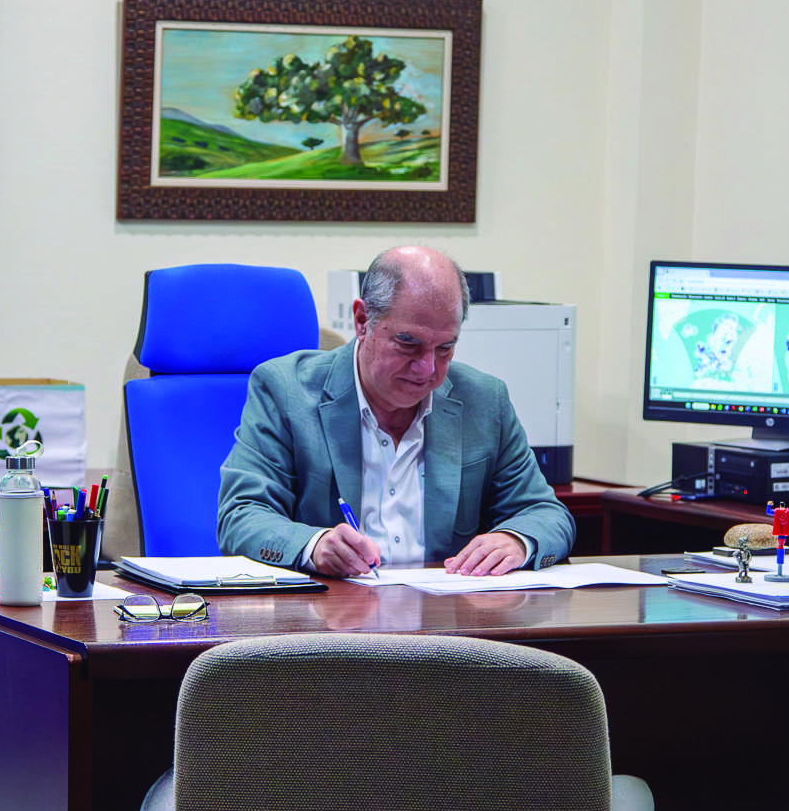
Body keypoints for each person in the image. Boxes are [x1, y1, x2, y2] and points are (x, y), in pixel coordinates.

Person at [217, 245, 574, 579]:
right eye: (408, 343)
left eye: (445, 348)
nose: (427, 369)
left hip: (448, 624)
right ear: (362, 321)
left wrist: (516, 540)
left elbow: (547, 515)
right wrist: (314, 545)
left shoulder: (484, 399)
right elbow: (242, 517)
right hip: (329, 625)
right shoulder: (285, 390)